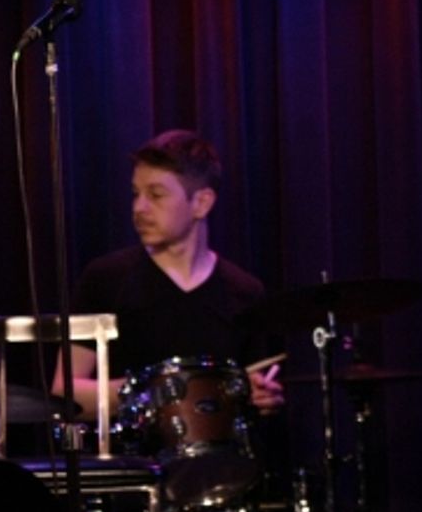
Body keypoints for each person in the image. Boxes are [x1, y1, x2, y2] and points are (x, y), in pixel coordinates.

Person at [50, 129, 284, 421]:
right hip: (134, 460)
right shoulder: (106, 279)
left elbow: (253, 389)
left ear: (202, 203)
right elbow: (64, 393)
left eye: (155, 195)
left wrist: (261, 396)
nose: (139, 208)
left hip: (219, 460)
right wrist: (159, 391)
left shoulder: (245, 291)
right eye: (136, 194)